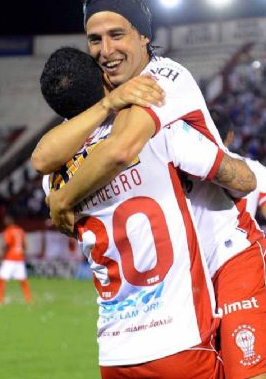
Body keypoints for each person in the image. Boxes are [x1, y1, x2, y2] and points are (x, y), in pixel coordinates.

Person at [37, 0, 266, 378]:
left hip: (224, 254)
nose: (106, 50)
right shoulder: (102, 107)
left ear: (144, 35)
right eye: (95, 39)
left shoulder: (165, 76)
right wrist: (105, 106)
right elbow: (40, 156)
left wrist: (62, 199)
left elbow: (120, 149)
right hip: (177, 287)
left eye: (117, 35)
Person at [38, 46, 242, 378]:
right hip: (180, 338)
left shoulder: (53, 182)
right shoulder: (154, 130)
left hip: (116, 351)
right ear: (102, 78)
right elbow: (238, 179)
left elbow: (43, 157)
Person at [211, 109, 266, 264]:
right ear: (230, 136)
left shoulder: (181, 165)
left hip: (191, 266)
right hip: (237, 263)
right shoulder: (256, 170)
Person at [0, 214, 32, 304]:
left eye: (5, 220)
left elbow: (6, 245)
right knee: (23, 280)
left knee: (2, 278)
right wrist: (22, 252)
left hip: (10, 258)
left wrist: (2, 256)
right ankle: (28, 299)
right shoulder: (20, 230)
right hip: (19, 258)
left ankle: (0, 299)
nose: (4, 222)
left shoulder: (8, 231)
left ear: (9, 221)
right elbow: (25, 245)